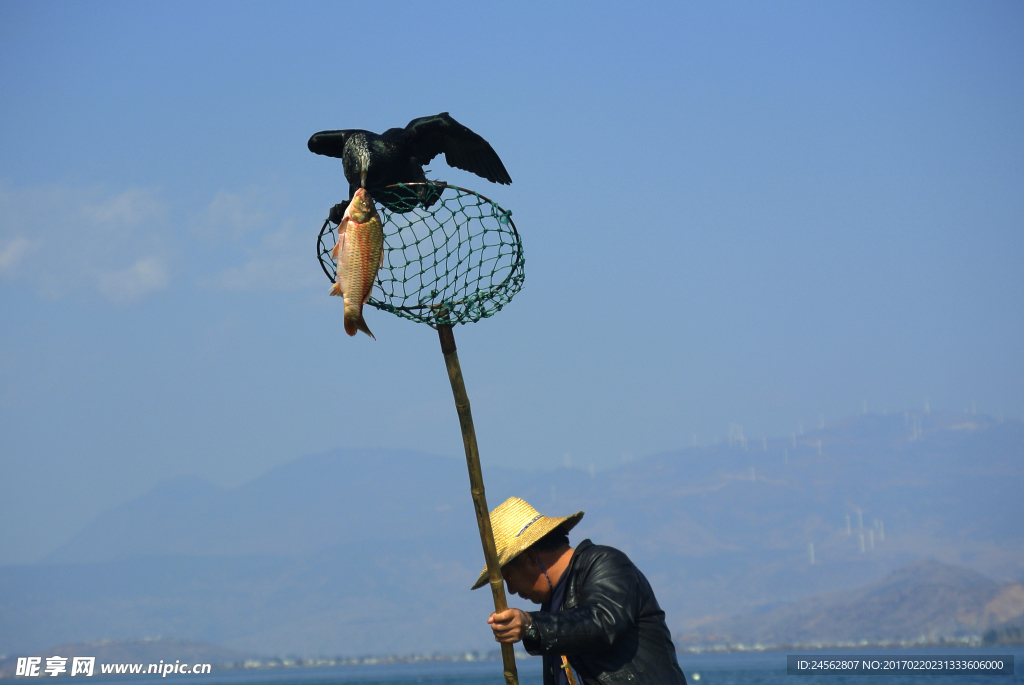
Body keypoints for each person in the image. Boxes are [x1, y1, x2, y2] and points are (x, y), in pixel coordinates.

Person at [475, 497, 687, 685]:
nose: (510, 590)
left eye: (509, 577)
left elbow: (602, 624)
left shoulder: (605, 563)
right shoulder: (550, 607)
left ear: (530, 558)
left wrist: (531, 625)